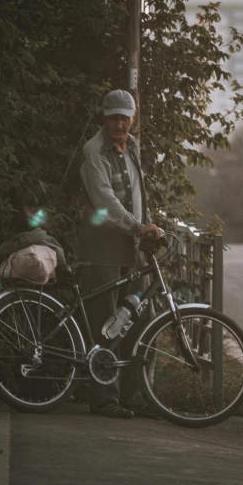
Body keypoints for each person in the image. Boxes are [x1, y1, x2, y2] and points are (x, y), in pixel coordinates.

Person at [78, 89, 162, 419]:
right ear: (104, 117)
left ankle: (136, 395)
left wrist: (146, 229)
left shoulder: (134, 147)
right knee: (107, 324)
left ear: (133, 116)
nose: (119, 123)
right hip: (101, 248)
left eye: (125, 117)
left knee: (144, 317)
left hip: (132, 248)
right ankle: (104, 400)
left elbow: (139, 194)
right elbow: (104, 199)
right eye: (113, 116)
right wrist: (136, 226)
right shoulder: (94, 151)